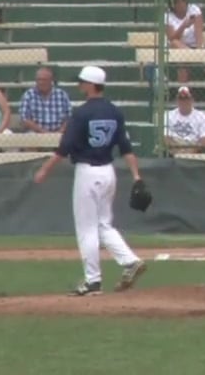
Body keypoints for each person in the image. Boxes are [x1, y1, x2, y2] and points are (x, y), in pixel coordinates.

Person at [33, 66, 147, 297]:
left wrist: (45, 170)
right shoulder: (115, 112)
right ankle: (130, 261)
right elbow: (126, 148)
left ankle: (93, 281)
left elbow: (64, 148)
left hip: (88, 173)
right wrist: (136, 175)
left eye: (82, 81)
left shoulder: (82, 113)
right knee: (103, 225)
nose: (79, 85)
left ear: (90, 85)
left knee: (87, 229)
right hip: (108, 172)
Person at [19, 67, 73, 133]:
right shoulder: (28, 95)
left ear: (51, 80)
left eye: (44, 80)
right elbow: (24, 118)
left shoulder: (62, 95)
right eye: (39, 80)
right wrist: (44, 132)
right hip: (36, 133)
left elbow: (69, 117)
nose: (41, 82)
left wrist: (60, 132)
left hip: (59, 132)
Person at [164, 86, 205, 153]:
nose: (183, 101)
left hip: (193, 146)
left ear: (192, 100)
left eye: (186, 98)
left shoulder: (201, 116)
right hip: (174, 146)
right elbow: (165, 137)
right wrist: (177, 150)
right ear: (177, 100)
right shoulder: (169, 115)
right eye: (181, 98)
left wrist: (192, 151)